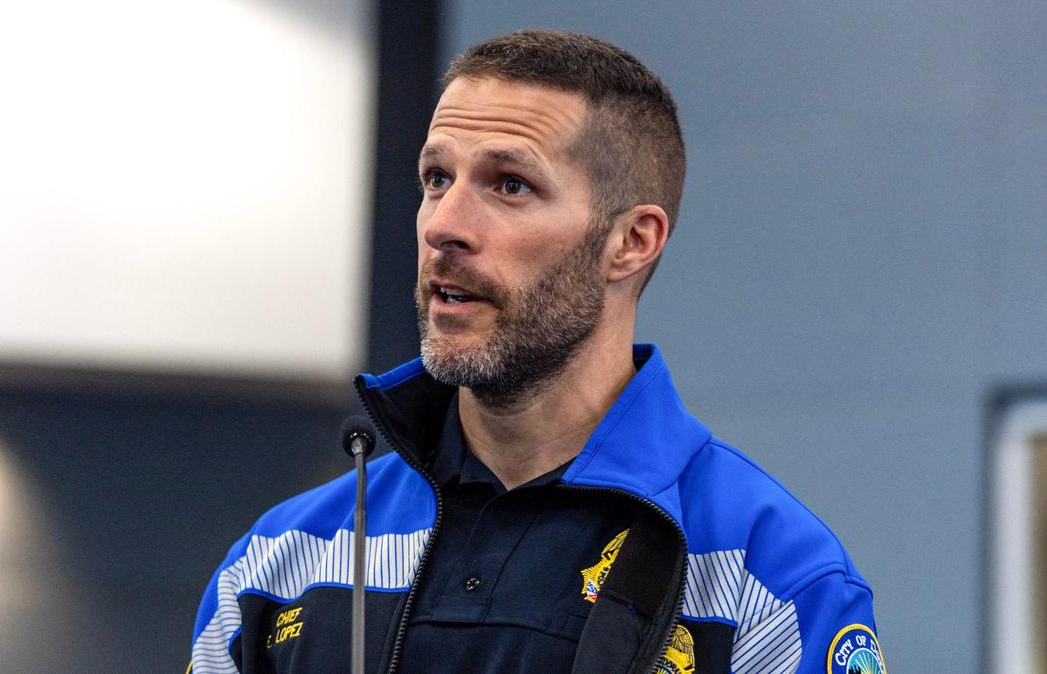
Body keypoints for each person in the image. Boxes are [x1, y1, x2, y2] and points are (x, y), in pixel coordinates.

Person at [190, 30, 883, 674]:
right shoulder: (282, 563)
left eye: (510, 185)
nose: (445, 226)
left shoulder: (770, 580)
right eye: (437, 178)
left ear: (631, 242)